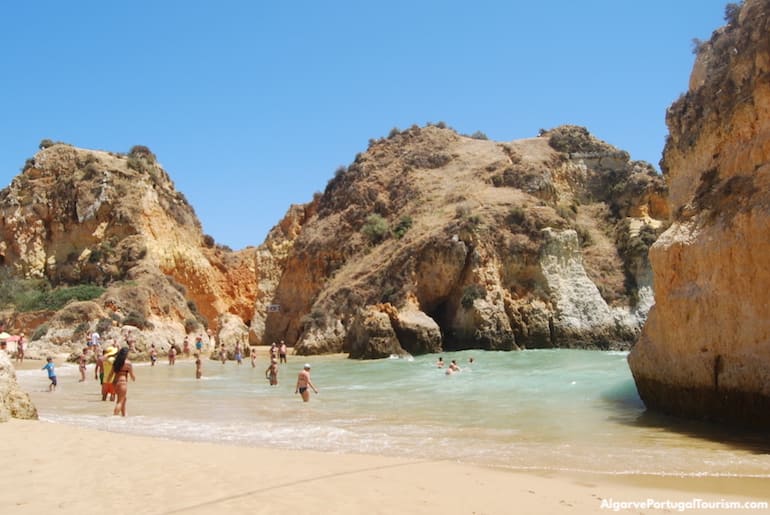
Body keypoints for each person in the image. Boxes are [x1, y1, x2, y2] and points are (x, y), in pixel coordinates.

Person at [107, 347, 135, 416]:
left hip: (115, 383)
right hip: (122, 383)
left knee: (123, 399)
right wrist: (134, 378)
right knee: (120, 401)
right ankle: (114, 417)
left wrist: (108, 384)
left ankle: (124, 415)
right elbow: (132, 376)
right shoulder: (128, 363)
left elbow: (110, 374)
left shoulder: (116, 362)